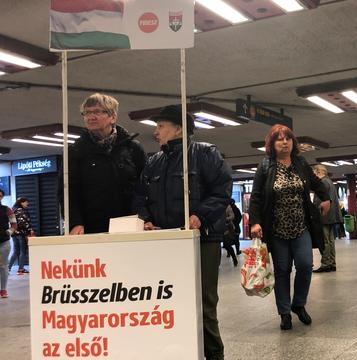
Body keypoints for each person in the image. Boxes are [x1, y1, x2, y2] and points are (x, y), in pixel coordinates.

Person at [137, 105, 232, 360]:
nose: (156, 132)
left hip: (202, 239)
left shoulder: (204, 153)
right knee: (170, 302)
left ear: (178, 129)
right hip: (166, 242)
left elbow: (222, 190)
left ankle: (214, 355)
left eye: (161, 126)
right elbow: (141, 196)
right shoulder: (154, 162)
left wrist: (200, 215)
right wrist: (145, 218)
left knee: (204, 303)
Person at [249, 124, 330, 331]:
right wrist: (255, 222)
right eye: (279, 139)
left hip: (301, 226)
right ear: (272, 144)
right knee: (283, 271)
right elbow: (256, 197)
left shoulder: (300, 163)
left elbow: (316, 183)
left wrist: (326, 198)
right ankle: (284, 313)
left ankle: (298, 304)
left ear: (293, 142)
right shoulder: (265, 166)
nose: (284, 142)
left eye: (288, 138)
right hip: (276, 229)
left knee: (305, 265)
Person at [62, 93, 146, 235]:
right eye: (87, 113)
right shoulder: (75, 151)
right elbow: (67, 191)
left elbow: (144, 187)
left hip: (129, 225)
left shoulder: (133, 148)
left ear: (113, 117)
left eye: (97, 112)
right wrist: (75, 222)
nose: (90, 117)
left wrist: (145, 217)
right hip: (90, 228)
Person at [312, 164, 341, 273]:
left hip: (324, 215)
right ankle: (332, 263)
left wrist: (314, 211)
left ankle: (325, 263)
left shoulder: (322, 182)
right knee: (330, 240)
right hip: (332, 215)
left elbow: (319, 201)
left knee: (324, 241)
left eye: (314, 173)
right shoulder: (330, 182)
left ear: (318, 172)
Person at [8, 197, 34, 275]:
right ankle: (21, 269)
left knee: (16, 251)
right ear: (21, 203)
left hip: (14, 233)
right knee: (23, 251)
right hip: (21, 233)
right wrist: (30, 230)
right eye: (26, 202)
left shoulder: (13, 210)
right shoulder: (21, 211)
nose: (27, 204)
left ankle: (8, 268)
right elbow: (23, 222)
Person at [0, 189, 17, 298]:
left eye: (0, 195)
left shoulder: (7, 210)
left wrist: (9, 232)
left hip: (4, 242)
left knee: (3, 266)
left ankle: (3, 290)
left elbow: (14, 224)